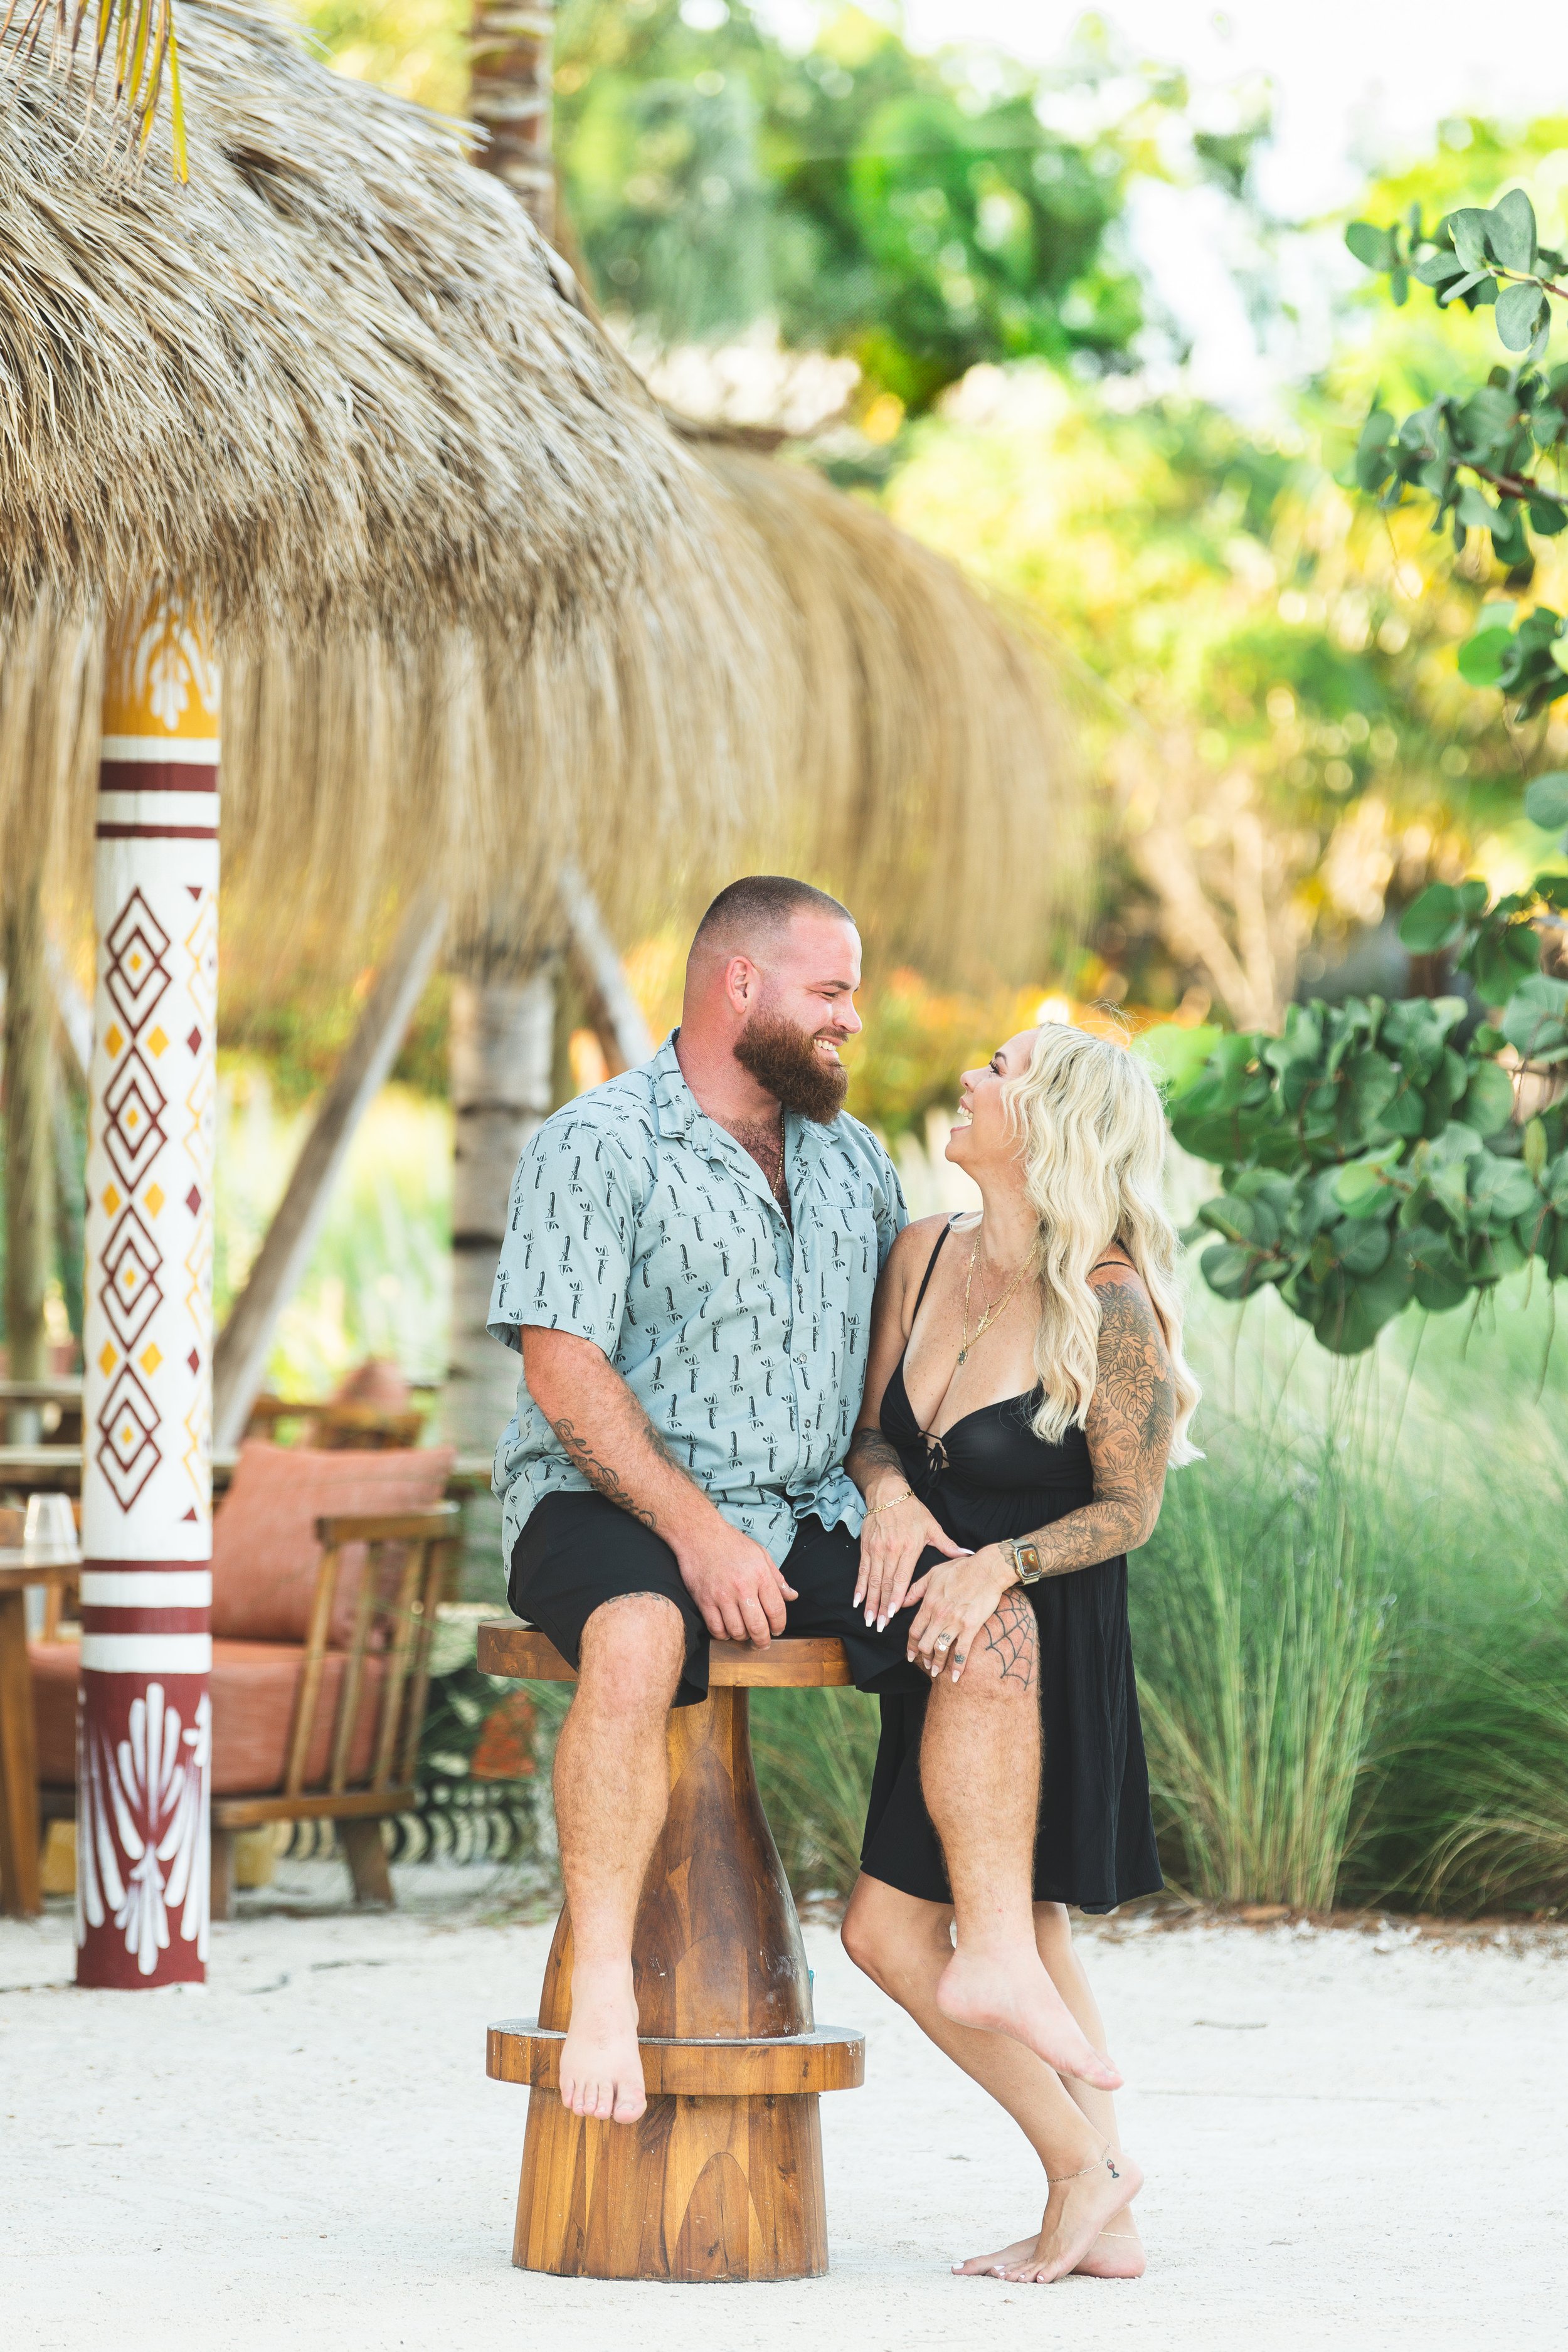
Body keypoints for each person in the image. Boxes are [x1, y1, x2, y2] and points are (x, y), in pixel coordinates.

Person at [489, 879, 1123, 2129]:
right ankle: (607, 1984)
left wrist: (887, 1495)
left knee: (987, 1620)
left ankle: (995, 1947)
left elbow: (878, 1392)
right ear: (742, 985)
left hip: (803, 1507)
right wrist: (695, 1532)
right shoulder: (595, 1142)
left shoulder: (851, 1159)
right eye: (830, 992)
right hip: (596, 1498)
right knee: (639, 1632)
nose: (851, 1019)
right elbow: (562, 1371)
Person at [841, 1020, 1200, 2285]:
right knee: (992, 1930)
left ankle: (1084, 2174)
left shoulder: (1107, 1302)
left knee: (919, 1934)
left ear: (1049, 1125)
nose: (968, 1079)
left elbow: (1130, 1511)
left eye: (998, 1073)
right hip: (938, 1634)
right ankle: (1103, 2196)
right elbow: (870, 1437)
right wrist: (890, 1496)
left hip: (1040, 1634)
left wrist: (999, 1563)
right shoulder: (922, 1251)